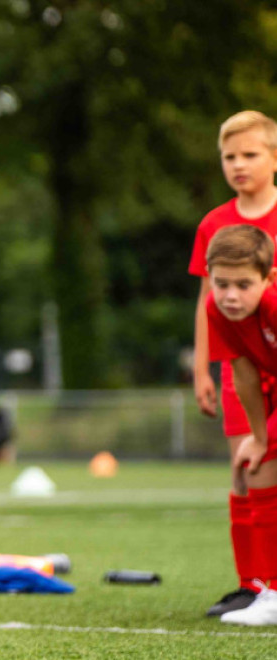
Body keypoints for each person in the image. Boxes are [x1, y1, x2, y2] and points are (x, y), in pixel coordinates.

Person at [190, 110, 277, 617]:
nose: (239, 164)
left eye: (251, 154)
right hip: (246, 356)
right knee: (249, 466)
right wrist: (203, 369)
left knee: (267, 461)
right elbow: (210, 301)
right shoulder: (214, 224)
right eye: (230, 156)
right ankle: (255, 585)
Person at [203, 224, 277, 625]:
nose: (231, 295)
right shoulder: (217, 310)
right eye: (221, 283)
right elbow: (244, 374)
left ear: (269, 279)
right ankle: (269, 591)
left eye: (244, 284)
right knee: (256, 468)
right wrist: (259, 437)